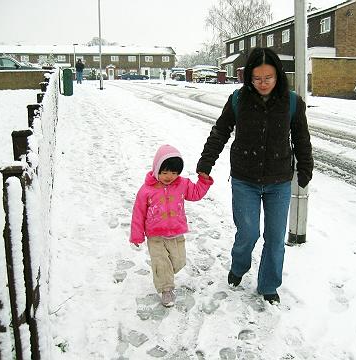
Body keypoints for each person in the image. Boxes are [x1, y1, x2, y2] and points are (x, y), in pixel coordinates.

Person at [196, 47, 313, 305]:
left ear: (278, 75)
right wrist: (206, 161)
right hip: (245, 179)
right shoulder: (238, 100)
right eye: (257, 78)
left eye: (268, 78)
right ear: (249, 77)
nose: (263, 83)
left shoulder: (292, 102)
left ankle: (269, 285)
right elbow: (220, 132)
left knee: (274, 239)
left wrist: (305, 167)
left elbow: (302, 139)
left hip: (279, 181)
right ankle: (239, 266)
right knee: (248, 233)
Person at [130, 144, 214, 307]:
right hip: (155, 236)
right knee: (161, 263)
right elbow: (138, 213)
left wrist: (203, 181)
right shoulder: (147, 190)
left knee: (179, 261)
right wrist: (136, 235)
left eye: (174, 173)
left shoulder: (182, 184)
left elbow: (196, 193)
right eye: (165, 172)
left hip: (176, 233)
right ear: (157, 169)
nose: (169, 176)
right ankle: (166, 289)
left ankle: (164, 274)